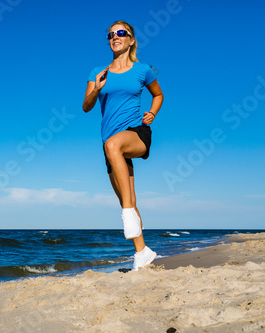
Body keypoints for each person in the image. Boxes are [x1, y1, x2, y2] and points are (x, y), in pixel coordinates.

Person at [82, 20, 164, 271]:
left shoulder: (143, 71)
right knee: (127, 197)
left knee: (115, 147)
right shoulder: (98, 72)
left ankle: (127, 216)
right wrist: (96, 88)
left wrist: (152, 113)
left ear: (131, 40)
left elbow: (158, 94)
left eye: (121, 33)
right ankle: (143, 253)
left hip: (136, 134)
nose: (114, 37)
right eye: (110, 34)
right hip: (110, 144)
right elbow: (86, 106)